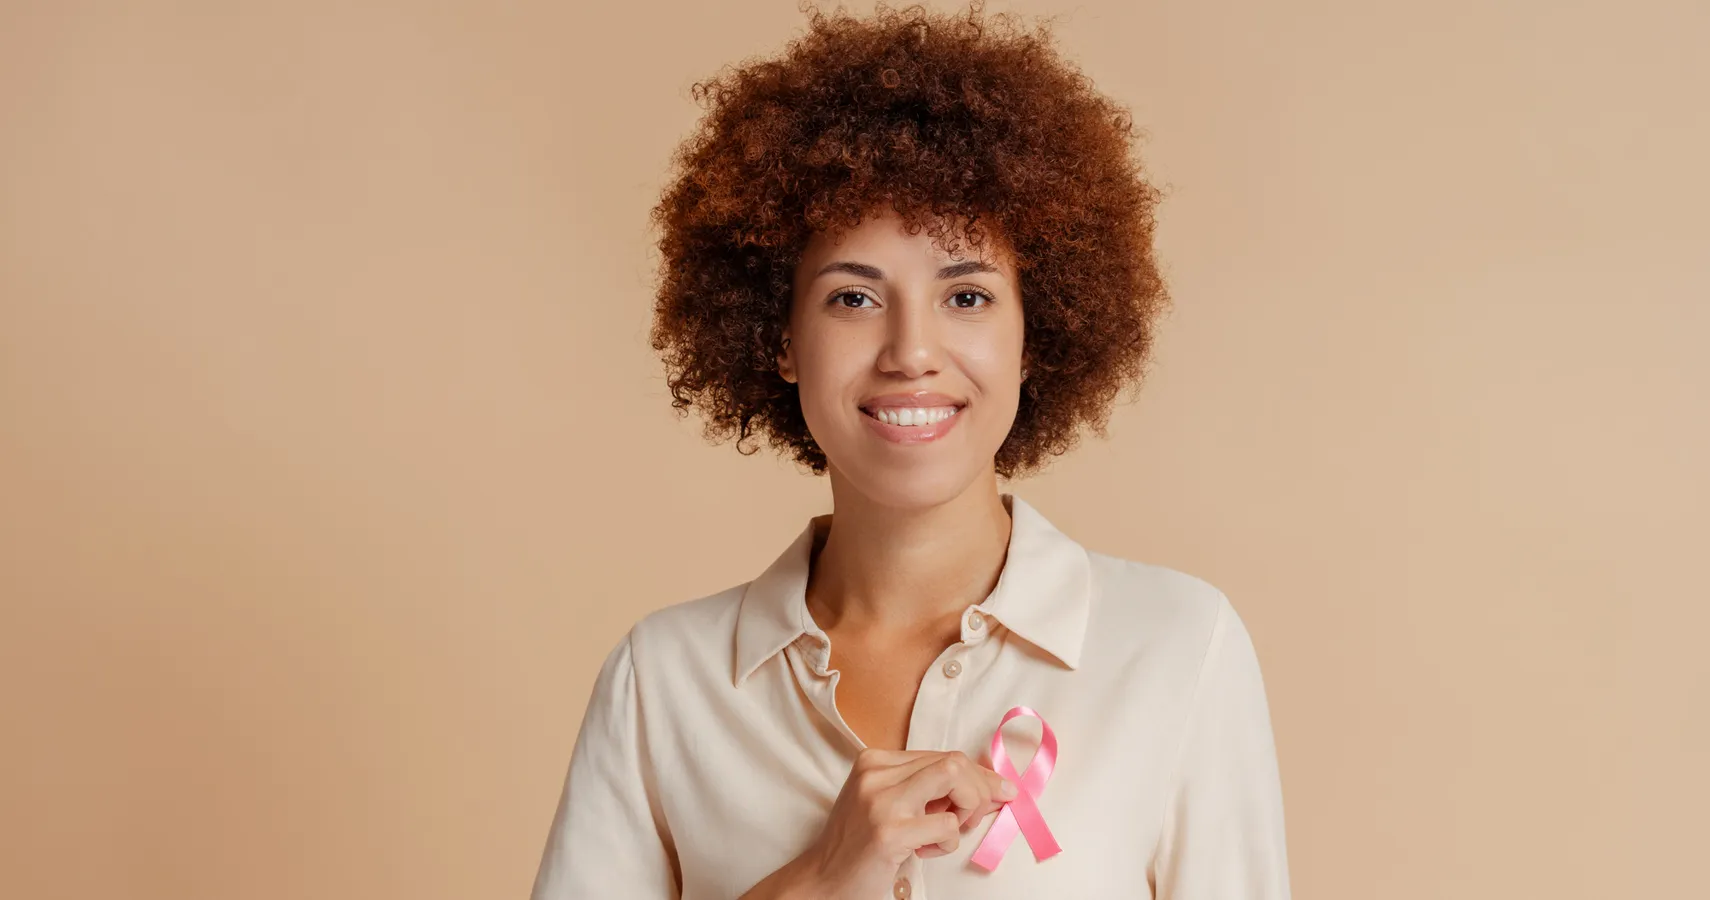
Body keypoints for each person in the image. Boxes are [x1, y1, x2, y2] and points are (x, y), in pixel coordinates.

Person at [531, 3, 1290, 898]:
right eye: (853, 299)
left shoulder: (1176, 647)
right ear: (778, 338)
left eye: (966, 297)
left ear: (1032, 333)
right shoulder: (660, 681)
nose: (911, 352)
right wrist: (821, 877)